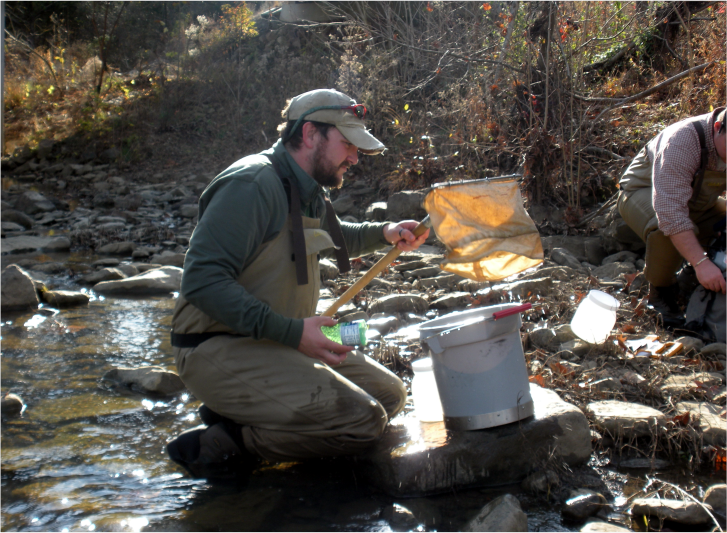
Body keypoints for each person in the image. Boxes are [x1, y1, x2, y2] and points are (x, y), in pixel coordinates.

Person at [165, 89, 430, 481]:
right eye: (348, 144)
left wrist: (386, 232)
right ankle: (233, 440)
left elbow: (338, 237)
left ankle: (247, 409)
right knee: (363, 421)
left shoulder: (308, 189)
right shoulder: (252, 185)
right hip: (216, 345)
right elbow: (202, 282)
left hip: (278, 338)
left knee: (391, 395)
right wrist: (292, 332)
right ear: (310, 134)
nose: (355, 157)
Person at [618, 107, 726, 327]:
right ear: (717, 128)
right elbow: (670, 215)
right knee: (663, 229)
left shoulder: (721, 140)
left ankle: (688, 280)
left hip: (697, 203)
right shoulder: (682, 141)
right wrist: (702, 263)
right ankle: (660, 293)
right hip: (642, 194)